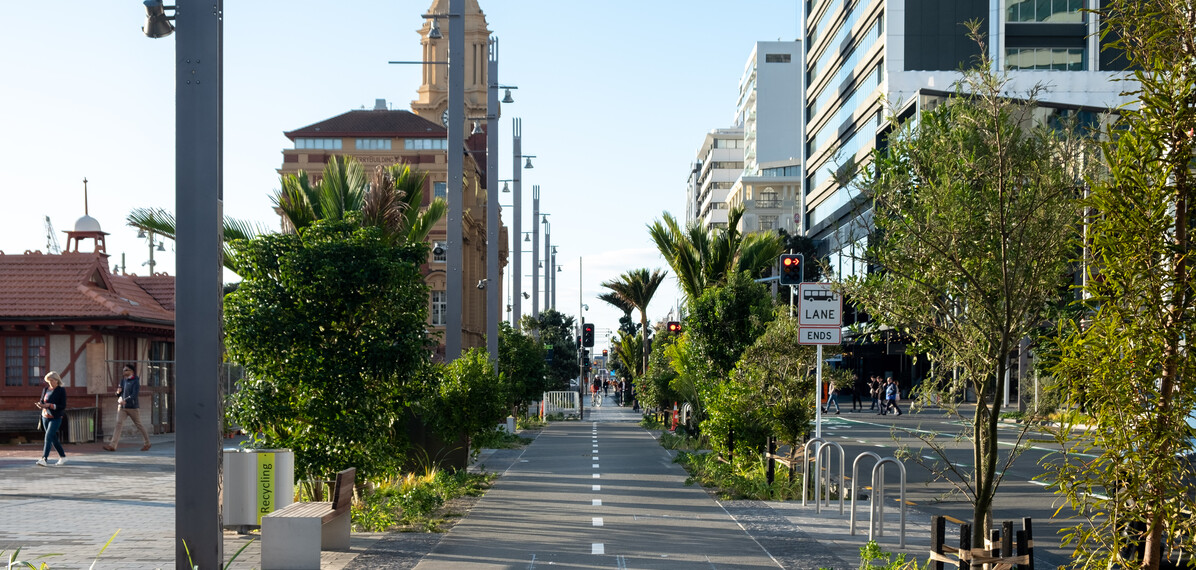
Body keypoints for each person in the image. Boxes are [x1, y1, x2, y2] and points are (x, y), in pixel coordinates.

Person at [104, 364, 152, 452]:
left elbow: (134, 394)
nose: (124, 371)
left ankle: (147, 443)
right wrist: (118, 395)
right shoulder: (123, 381)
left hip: (133, 407)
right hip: (122, 407)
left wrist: (125, 400)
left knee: (139, 425)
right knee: (118, 423)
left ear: (131, 371)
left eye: (126, 370)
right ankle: (112, 445)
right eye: (123, 370)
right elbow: (119, 393)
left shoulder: (135, 381)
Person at [36, 371, 68, 467]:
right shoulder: (45, 389)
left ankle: (44, 459)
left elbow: (62, 405)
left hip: (56, 417)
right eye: (48, 381)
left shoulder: (61, 390)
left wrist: (50, 405)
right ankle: (63, 457)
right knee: (53, 439)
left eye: (51, 381)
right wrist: (40, 405)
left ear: (57, 380)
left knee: (48, 436)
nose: (50, 383)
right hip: (45, 416)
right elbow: (42, 400)